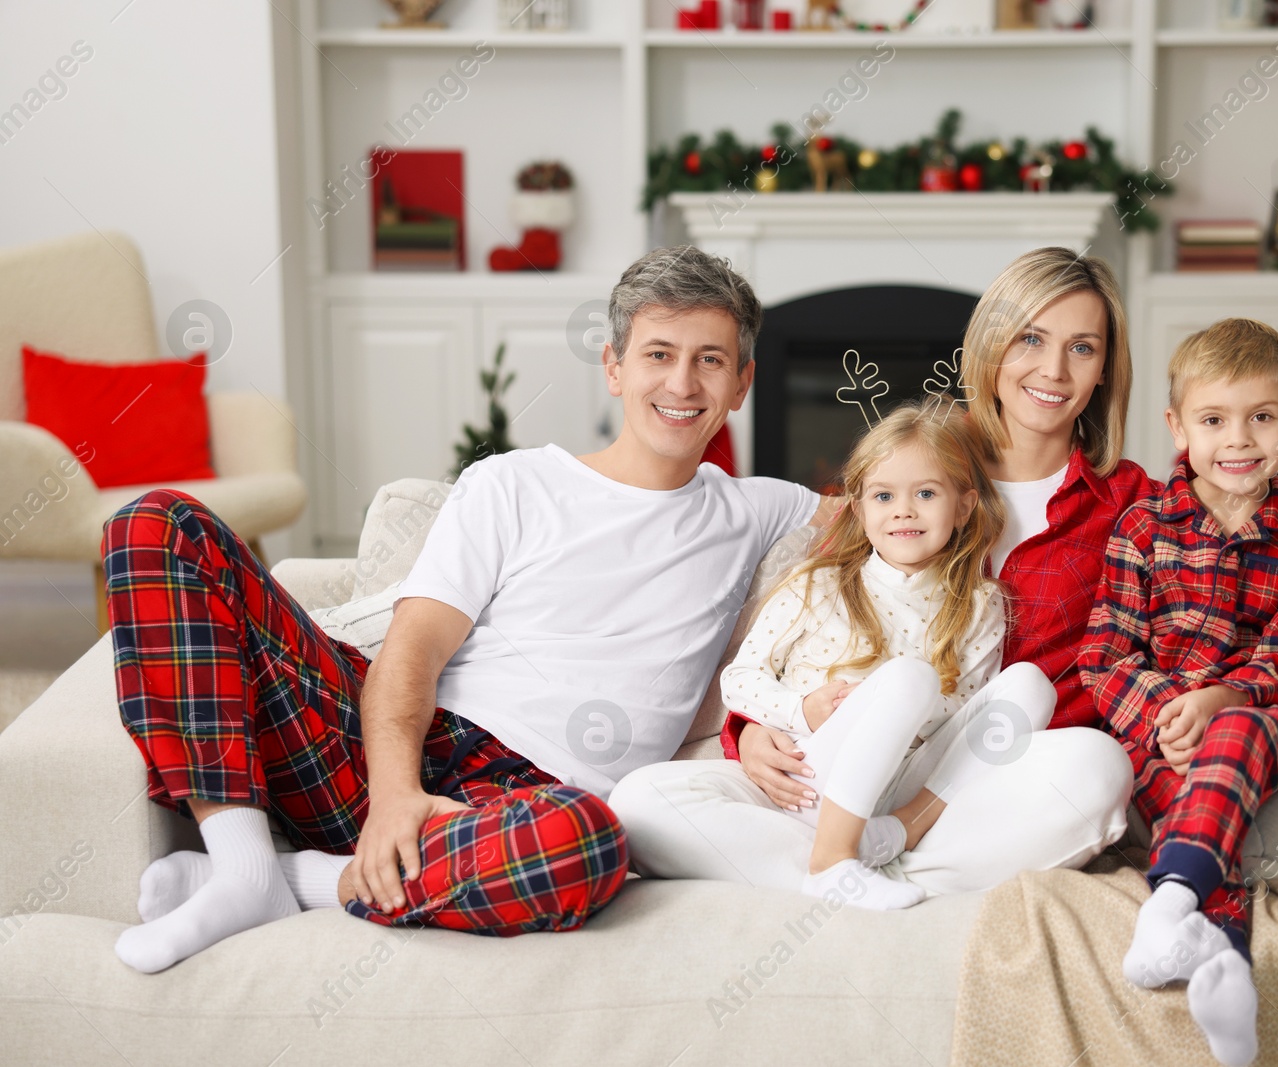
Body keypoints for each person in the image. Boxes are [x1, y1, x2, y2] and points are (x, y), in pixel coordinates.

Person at [100, 245, 835, 973]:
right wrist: (396, 795)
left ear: (743, 382)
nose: (682, 380)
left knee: (594, 843)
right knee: (155, 523)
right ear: (614, 366)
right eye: (658, 353)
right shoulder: (513, 484)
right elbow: (412, 649)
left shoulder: (761, 509)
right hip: (383, 752)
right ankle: (239, 861)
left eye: (710, 359)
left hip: (529, 809)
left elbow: (911, 499)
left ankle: (291, 882)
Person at [724, 247, 1278, 892]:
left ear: (1103, 373)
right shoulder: (914, 468)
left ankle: (883, 864)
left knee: (1101, 770)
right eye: (1031, 338)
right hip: (880, 755)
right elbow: (810, 605)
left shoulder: (1133, 503)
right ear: (994, 346)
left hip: (1023, 769)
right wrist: (752, 730)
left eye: (1082, 348)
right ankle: (852, 855)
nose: (1054, 370)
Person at [1080, 318, 1278, 1067]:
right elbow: (1104, 654)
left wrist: (1223, 700)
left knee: (1234, 738)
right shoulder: (1142, 528)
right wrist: (1170, 712)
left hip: (1259, 729)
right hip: (1161, 739)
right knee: (1200, 798)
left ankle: (1167, 901)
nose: (1239, 440)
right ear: (1177, 427)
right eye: (1214, 420)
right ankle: (1222, 960)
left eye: (1261, 417)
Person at [712, 396, 1057, 909]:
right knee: (644, 799)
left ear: (963, 506)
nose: (903, 510)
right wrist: (800, 711)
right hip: (816, 775)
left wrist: (895, 704)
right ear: (858, 507)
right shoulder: (817, 584)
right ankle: (832, 857)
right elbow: (739, 679)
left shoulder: (981, 603)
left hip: (911, 784)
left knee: (1029, 684)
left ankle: (887, 839)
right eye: (883, 495)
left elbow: (968, 716)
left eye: (925, 493)